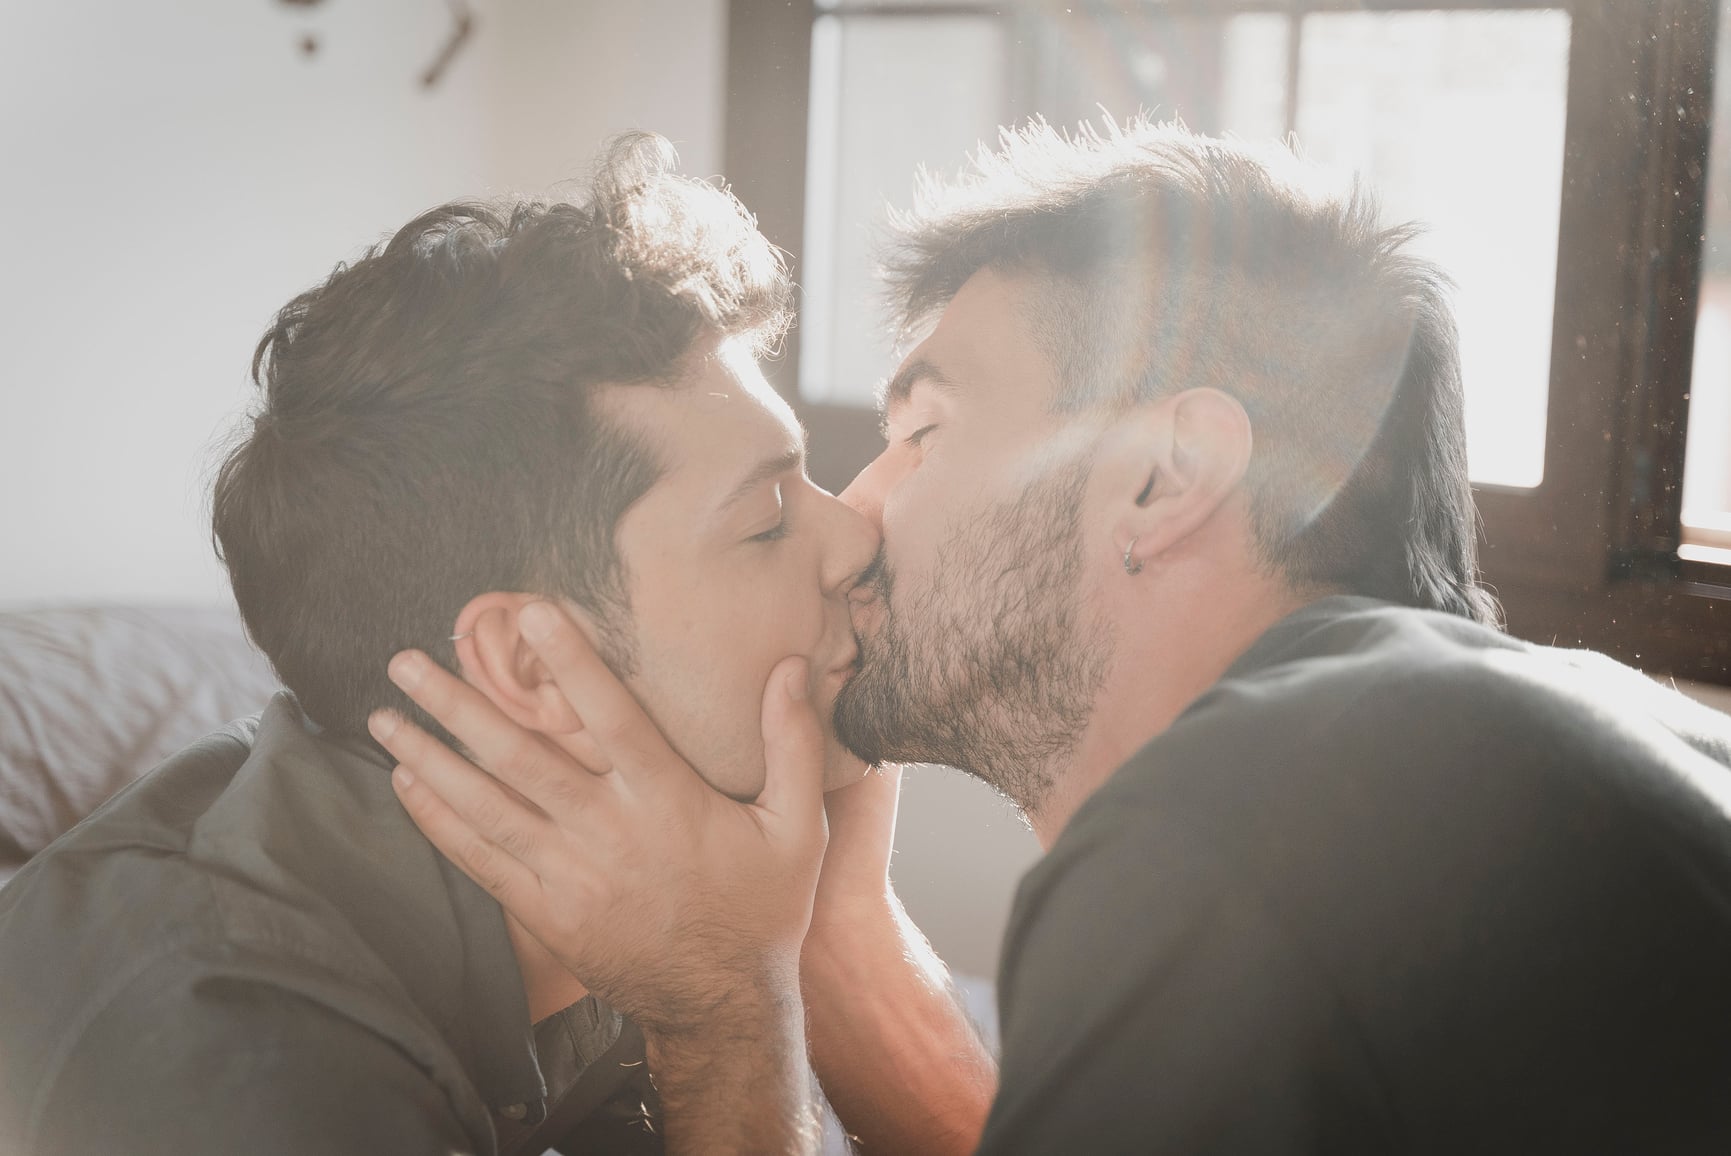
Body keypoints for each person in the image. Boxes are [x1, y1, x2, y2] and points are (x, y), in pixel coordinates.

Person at [377, 119, 1731, 1154]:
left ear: (1161, 478)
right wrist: (829, 932)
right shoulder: (1432, 772)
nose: (857, 513)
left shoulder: (1223, 827)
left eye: (925, 431)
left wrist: (721, 1012)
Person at [0, 134, 878, 1156]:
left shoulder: (629, 875)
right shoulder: (229, 1055)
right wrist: (726, 1007)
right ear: (531, 667)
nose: (857, 538)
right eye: (767, 521)